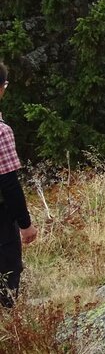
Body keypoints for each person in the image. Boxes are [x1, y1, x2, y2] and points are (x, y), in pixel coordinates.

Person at [0, 62, 38, 308]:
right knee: (7, 270)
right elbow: (8, 184)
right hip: (1, 220)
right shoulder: (1, 132)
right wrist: (25, 224)